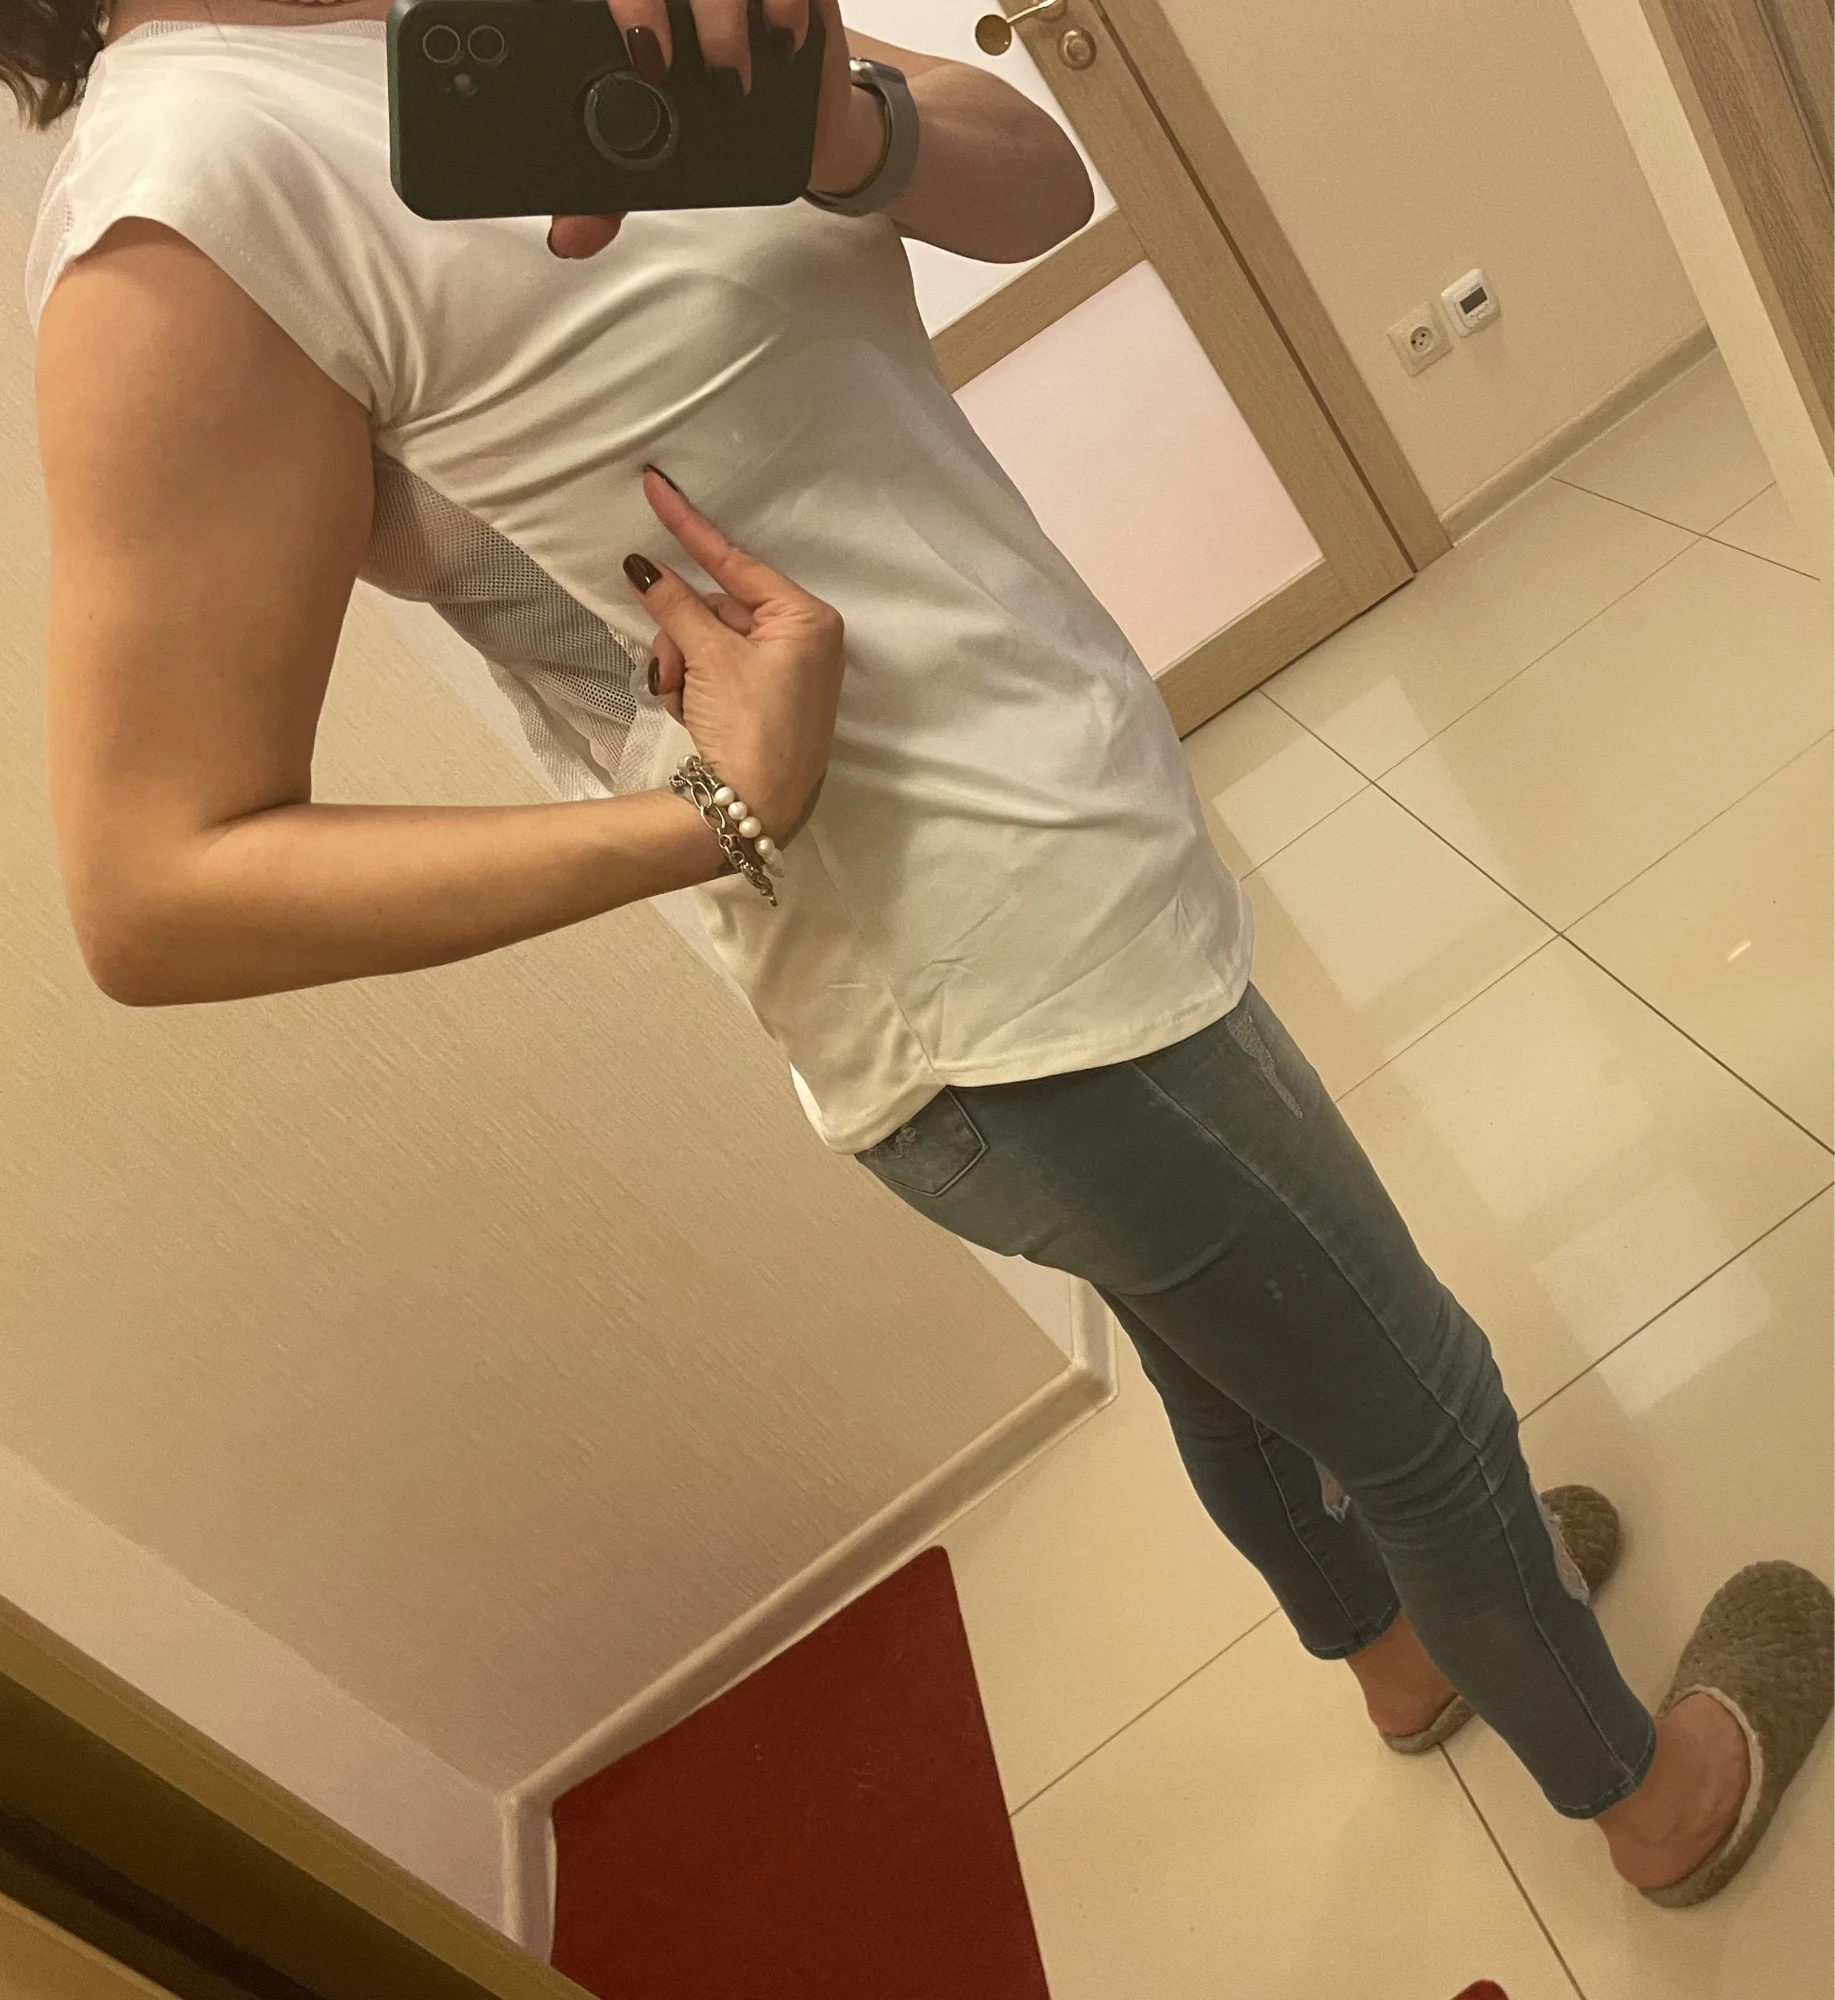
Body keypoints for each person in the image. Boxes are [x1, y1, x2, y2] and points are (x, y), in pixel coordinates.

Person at [19, 0, 1829, 1913]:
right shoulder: (193, 191)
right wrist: (708, 812)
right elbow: (155, 886)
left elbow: (1036, 178)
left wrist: (834, 119)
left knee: (1225, 1366)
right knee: (1420, 1408)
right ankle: (1649, 1797)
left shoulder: (475, 24)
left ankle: (1400, 1658)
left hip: (1049, 821)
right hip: (984, 976)